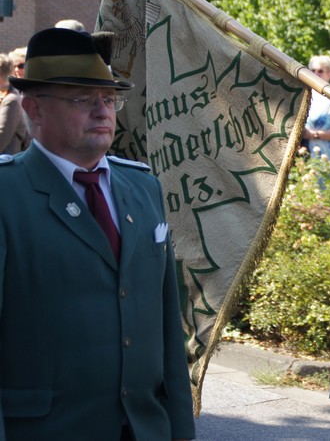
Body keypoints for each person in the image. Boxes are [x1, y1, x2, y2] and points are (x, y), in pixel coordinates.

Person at [1, 28, 195, 439]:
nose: (103, 112)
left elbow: (167, 329)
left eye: (108, 99)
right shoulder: (7, 194)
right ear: (34, 109)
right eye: (82, 99)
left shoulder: (143, 188)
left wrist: (181, 431)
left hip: (144, 429)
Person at [0, 53, 28, 154]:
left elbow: (1, 138)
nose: (17, 69)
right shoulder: (4, 94)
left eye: (21, 66)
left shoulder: (12, 100)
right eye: (15, 66)